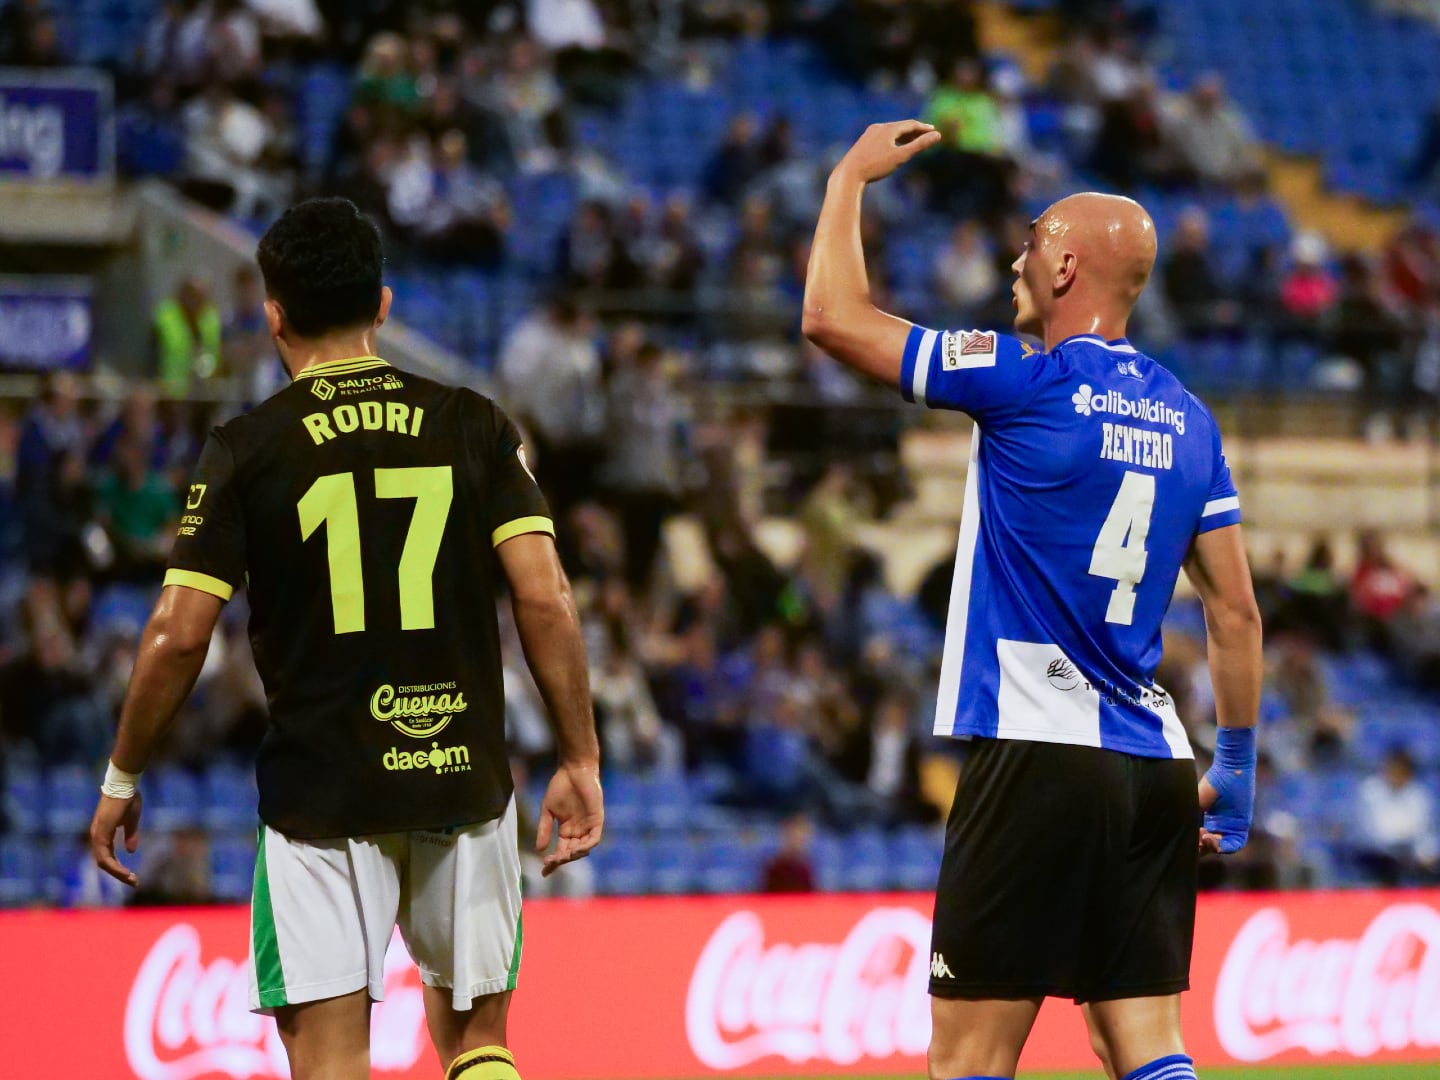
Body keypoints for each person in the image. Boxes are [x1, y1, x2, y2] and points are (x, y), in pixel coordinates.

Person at [88, 198, 604, 1080]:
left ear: (272, 313)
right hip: (460, 776)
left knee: (331, 1061)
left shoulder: (246, 450)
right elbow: (547, 598)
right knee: (479, 1046)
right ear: (385, 306)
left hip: (318, 799)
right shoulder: (475, 423)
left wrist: (123, 774)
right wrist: (581, 757)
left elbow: (178, 636)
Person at [802, 121, 1262, 1080]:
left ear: (1061, 266)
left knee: (971, 1053)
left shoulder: (1024, 381)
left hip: (1035, 747)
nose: (1015, 258)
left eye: (1031, 241)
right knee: (1142, 1042)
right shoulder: (1191, 419)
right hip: (1154, 766)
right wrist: (1240, 766)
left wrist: (847, 178)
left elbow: (833, 318)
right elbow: (1236, 614)